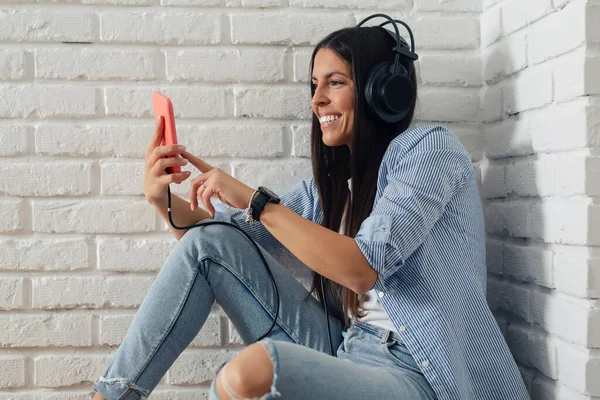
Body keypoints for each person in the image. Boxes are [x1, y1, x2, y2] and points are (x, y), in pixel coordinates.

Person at [92, 15, 530, 400]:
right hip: (344, 346)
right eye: (314, 84)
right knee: (211, 245)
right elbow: (214, 249)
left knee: (250, 372)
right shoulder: (331, 191)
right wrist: (162, 200)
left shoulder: (431, 151)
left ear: (383, 91)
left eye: (335, 82)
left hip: (419, 372)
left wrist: (257, 200)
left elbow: (361, 269)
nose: (317, 99)